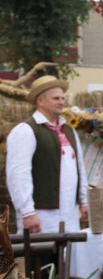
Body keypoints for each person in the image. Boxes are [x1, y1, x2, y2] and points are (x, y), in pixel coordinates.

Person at [6, 76, 88, 233]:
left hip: (69, 214)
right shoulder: (26, 131)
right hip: (41, 215)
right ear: (40, 101)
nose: (61, 102)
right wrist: (27, 212)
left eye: (63, 98)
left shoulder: (69, 130)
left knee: (67, 256)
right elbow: (18, 175)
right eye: (56, 98)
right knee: (40, 256)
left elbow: (80, 169)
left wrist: (84, 201)